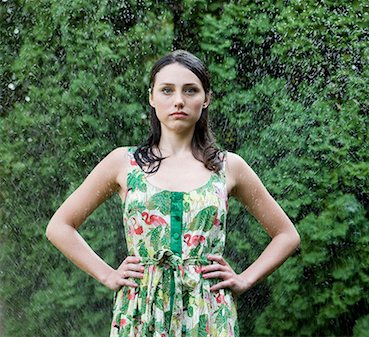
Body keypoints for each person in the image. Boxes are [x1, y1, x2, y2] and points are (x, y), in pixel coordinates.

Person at [46, 50, 300, 337]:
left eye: (190, 90)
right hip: (140, 311)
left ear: (206, 99)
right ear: (152, 97)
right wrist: (107, 274)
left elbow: (286, 234)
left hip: (209, 312)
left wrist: (244, 279)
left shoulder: (229, 167)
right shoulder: (124, 163)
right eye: (167, 90)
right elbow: (59, 226)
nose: (179, 100)